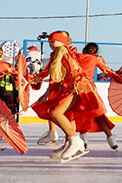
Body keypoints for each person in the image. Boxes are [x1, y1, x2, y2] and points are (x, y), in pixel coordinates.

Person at [29, 32, 104, 161]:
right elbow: (48, 71)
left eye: (53, 41)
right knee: (67, 115)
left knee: (56, 113)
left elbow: (72, 71)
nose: (50, 45)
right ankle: (69, 144)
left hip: (78, 86)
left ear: (62, 41)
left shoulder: (63, 51)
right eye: (49, 43)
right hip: (72, 86)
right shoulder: (58, 53)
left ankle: (75, 141)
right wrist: (37, 80)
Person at [75, 42, 122, 150]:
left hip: (76, 88)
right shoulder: (96, 59)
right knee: (99, 114)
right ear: (95, 51)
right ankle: (111, 139)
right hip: (89, 89)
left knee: (81, 113)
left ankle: (83, 140)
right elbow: (108, 71)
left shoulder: (76, 57)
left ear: (84, 49)